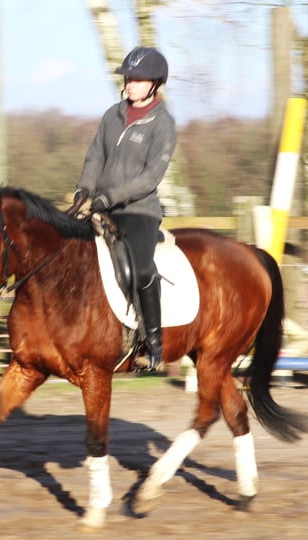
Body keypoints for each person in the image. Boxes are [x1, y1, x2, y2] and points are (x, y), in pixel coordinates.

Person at [74, 46, 176, 371]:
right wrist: (84, 191)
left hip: (139, 210)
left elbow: (150, 178)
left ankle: (153, 343)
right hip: (101, 207)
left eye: (138, 79)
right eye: (128, 79)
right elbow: (95, 157)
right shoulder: (111, 115)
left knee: (141, 269)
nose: (130, 84)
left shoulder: (163, 124)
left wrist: (110, 197)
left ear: (154, 84)